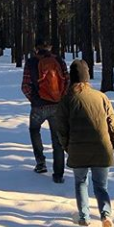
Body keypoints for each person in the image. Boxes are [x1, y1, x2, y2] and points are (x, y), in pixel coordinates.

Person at [55, 58, 114, 227]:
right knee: (101, 187)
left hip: (78, 149)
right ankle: (106, 217)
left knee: (81, 182)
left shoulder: (67, 100)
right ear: (88, 76)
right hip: (102, 149)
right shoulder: (101, 97)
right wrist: (112, 144)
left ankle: (84, 216)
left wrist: (67, 147)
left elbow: (61, 128)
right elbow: (113, 124)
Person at [21, 37, 69, 183]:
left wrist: (35, 100)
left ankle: (40, 162)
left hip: (38, 107)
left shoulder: (31, 62)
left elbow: (25, 86)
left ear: (36, 48)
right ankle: (59, 173)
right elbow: (67, 81)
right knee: (58, 139)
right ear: (50, 47)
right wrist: (61, 98)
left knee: (34, 130)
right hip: (57, 106)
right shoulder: (59, 60)